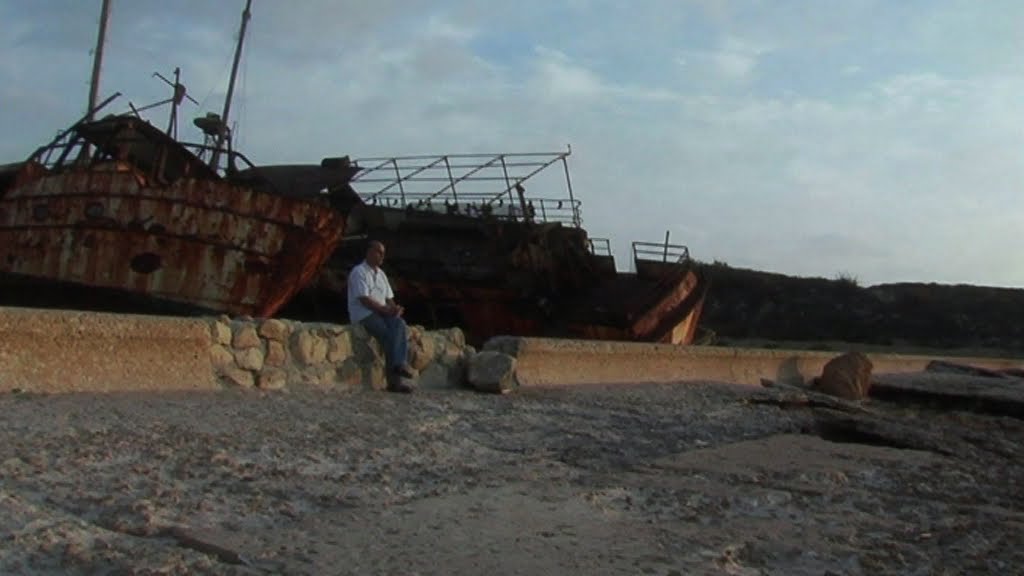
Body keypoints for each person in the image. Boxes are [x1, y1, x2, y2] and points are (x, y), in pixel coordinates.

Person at [347, 240, 416, 393]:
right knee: (387, 335)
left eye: (383, 253)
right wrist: (386, 310)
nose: (382, 256)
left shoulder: (382, 274)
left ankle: (399, 365)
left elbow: (388, 298)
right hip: (364, 313)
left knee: (399, 324)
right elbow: (364, 300)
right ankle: (395, 380)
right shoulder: (359, 272)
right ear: (369, 252)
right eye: (379, 252)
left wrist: (395, 308)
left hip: (382, 312)